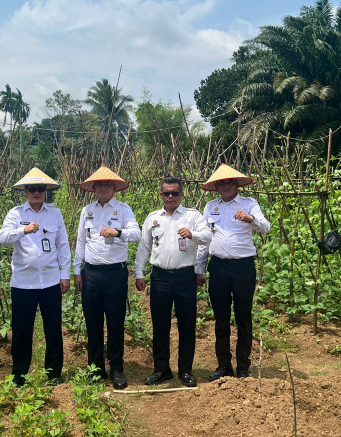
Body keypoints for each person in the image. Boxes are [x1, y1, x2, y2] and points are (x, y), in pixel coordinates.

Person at [134, 176, 210, 388]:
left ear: (181, 195)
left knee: (187, 325)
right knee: (160, 325)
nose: (170, 197)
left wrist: (192, 234)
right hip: (160, 277)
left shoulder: (192, 216)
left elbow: (207, 237)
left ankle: (185, 370)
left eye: (174, 193)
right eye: (166, 193)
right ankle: (161, 370)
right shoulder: (153, 218)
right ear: (161, 195)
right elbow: (144, 247)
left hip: (185, 276)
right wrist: (139, 272)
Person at [197, 164, 270, 381]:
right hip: (218, 267)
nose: (226, 185)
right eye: (222, 182)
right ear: (217, 186)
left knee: (243, 317)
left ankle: (243, 366)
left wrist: (250, 219)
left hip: (243, 268)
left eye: (230, 182)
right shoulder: (211, 207)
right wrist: (199, 268)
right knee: (220, 319)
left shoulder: (249, 204)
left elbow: (266, 227)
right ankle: (223, 365)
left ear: (237, 184)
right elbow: (204, 239)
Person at [0, 167, 71, 386]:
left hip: (50, 280)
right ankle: (19, 374)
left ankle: (54, 374)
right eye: (32, 189)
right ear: (26, 191)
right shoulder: (15, 214)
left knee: (53, 329)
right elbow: (3, 237)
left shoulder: (55, 213)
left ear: (45, 191)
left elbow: (63, 245)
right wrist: (23, 230)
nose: (36, 193)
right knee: (21, 330)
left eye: (40, 189)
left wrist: (64, 274)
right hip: (23, 282)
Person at [73, 165, 141, 390]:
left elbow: (136, 234)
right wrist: (76, 270)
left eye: (107, 184)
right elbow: (81, 241)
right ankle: (95, 366)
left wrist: (117, 232)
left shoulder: (123, 210)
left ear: (114, 187)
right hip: (91, 273)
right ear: (93, 188)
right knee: (92, 321)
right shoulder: (87, 211)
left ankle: (117, 367)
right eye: (99, 184)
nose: (103, 187)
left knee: (115, 321)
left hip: (115, 273)